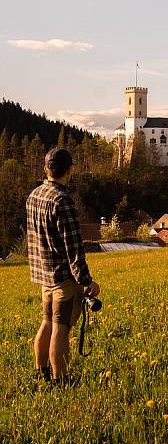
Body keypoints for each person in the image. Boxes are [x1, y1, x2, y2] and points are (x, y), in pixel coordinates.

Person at [26, 147, 100, 382]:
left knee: (46, 322)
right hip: (63, 279)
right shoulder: (63, 201)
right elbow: (74, 249)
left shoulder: (34, 196)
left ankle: (41, 372)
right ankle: (60, 379)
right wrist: (87, 281)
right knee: (61, 328)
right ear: (70, 170)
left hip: (43, 275)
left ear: (46, 168)